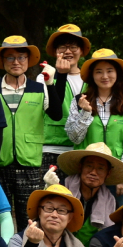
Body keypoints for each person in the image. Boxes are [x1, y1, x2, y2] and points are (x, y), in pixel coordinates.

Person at [0, 36, 64, 230]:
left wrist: (51, 83)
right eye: (10, 58)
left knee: (29, 218)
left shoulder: (39, 88)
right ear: (3, 62)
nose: (16, 62)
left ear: (28, 61)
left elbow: (56, 114)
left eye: (21, 57)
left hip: (30, 163)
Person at [65, 48, 123, 194]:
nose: (105, 76)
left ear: (117, 73)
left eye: (110, 71)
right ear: (92, 75)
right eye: (98, 71)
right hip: (87, 175)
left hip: (116, 173)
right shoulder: (79, 100)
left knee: (116, 216)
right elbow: (74, 137)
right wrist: (85, 113)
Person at [47, 142, 123, 246]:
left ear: (108, 173)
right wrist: (48, 188)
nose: (93, 172)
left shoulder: (110, 201)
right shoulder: (63, 187)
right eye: (89, 166)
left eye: (100, 168)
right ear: (80, 167)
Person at [39, 24, 91, 172]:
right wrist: (60, 74)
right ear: (56, 51)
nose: (68, 51)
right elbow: (53, 112)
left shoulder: (92, 81)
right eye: (62, 47)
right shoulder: (44, 77)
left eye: (73, 47)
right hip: (51, 148)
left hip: (84, 150)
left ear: (81, 50)